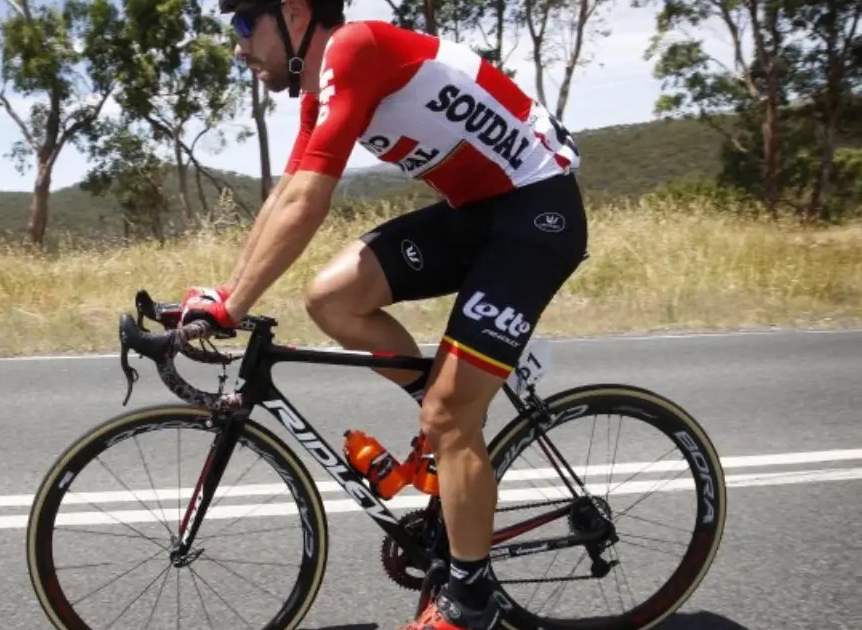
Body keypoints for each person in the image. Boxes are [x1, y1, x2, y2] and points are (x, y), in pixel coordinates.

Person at [179, 1, 588, 628]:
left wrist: (235, 308)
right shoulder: (321, 86)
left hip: (537, 215)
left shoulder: (354, 48)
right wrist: (224, 293)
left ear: (293, 12)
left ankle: (471, 601)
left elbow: (310, 203)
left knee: (450, 414)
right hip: (480, 213)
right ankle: (446, 428)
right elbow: (286, 194)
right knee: (332, 298)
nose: (237, 46)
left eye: (243, 25)